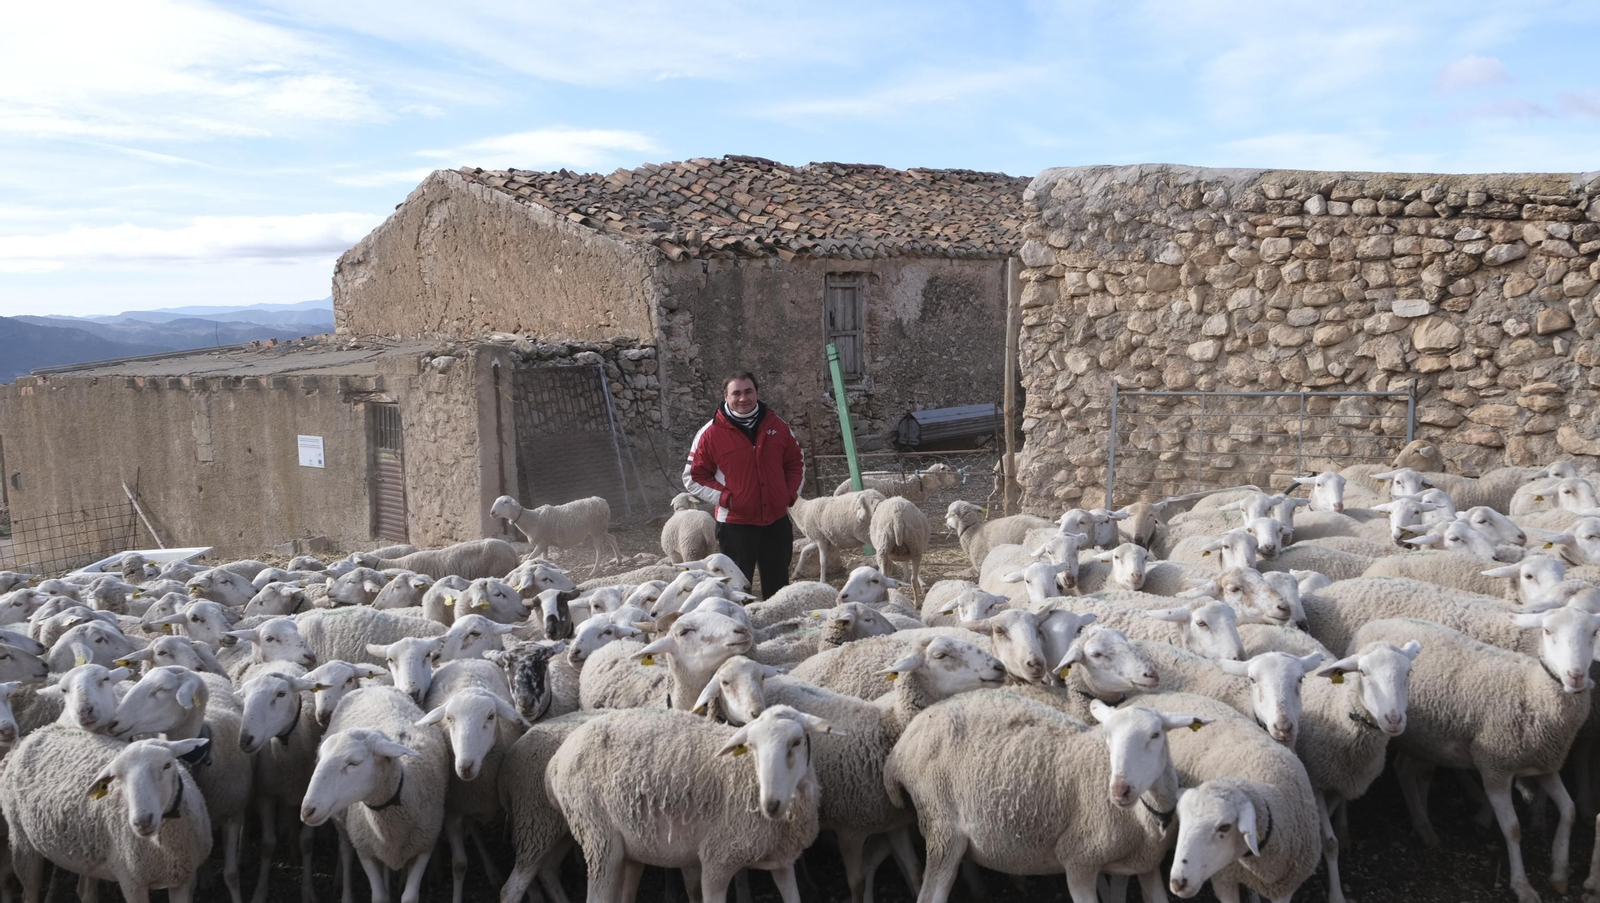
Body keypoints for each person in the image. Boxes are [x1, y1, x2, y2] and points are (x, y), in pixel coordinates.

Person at [682, 372, 805, 599]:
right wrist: (728, 499)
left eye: (748, 392)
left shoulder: (778, 427)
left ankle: (778, 627)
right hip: (736, 525)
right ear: (726, 396)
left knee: (778, 587)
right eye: (736, 393)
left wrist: (788, 495)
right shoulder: (709, 434)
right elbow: (693, 477)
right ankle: (742, 630)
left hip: (776, 523)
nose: (743, 398)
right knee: (737, 589)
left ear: (757, 393)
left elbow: (796, 462)